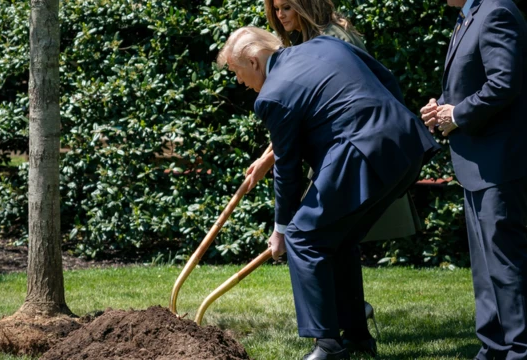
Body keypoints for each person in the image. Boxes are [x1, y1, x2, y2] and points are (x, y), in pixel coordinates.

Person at [218, 27, 440, 360]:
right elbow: (386, 79)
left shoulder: (272, 95)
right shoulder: (324, 45)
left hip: (359, 153)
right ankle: (356, 337)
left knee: (303, 237)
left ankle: (328, 345)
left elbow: (289, 171)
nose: (239, 81)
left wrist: (280, 231)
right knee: (339, 238)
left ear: (253, 60)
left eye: (237, 72)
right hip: (405, 145)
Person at [420, 0, 527, 359]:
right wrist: (443, 108)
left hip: (500, 163)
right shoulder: (468, 16)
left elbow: (505, 82)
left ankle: (519, 349)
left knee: (505, 265)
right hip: (477, 165)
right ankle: (493, 347)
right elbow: (475, 81)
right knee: (485, 269)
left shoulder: (497, 10)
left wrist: (459, 113)